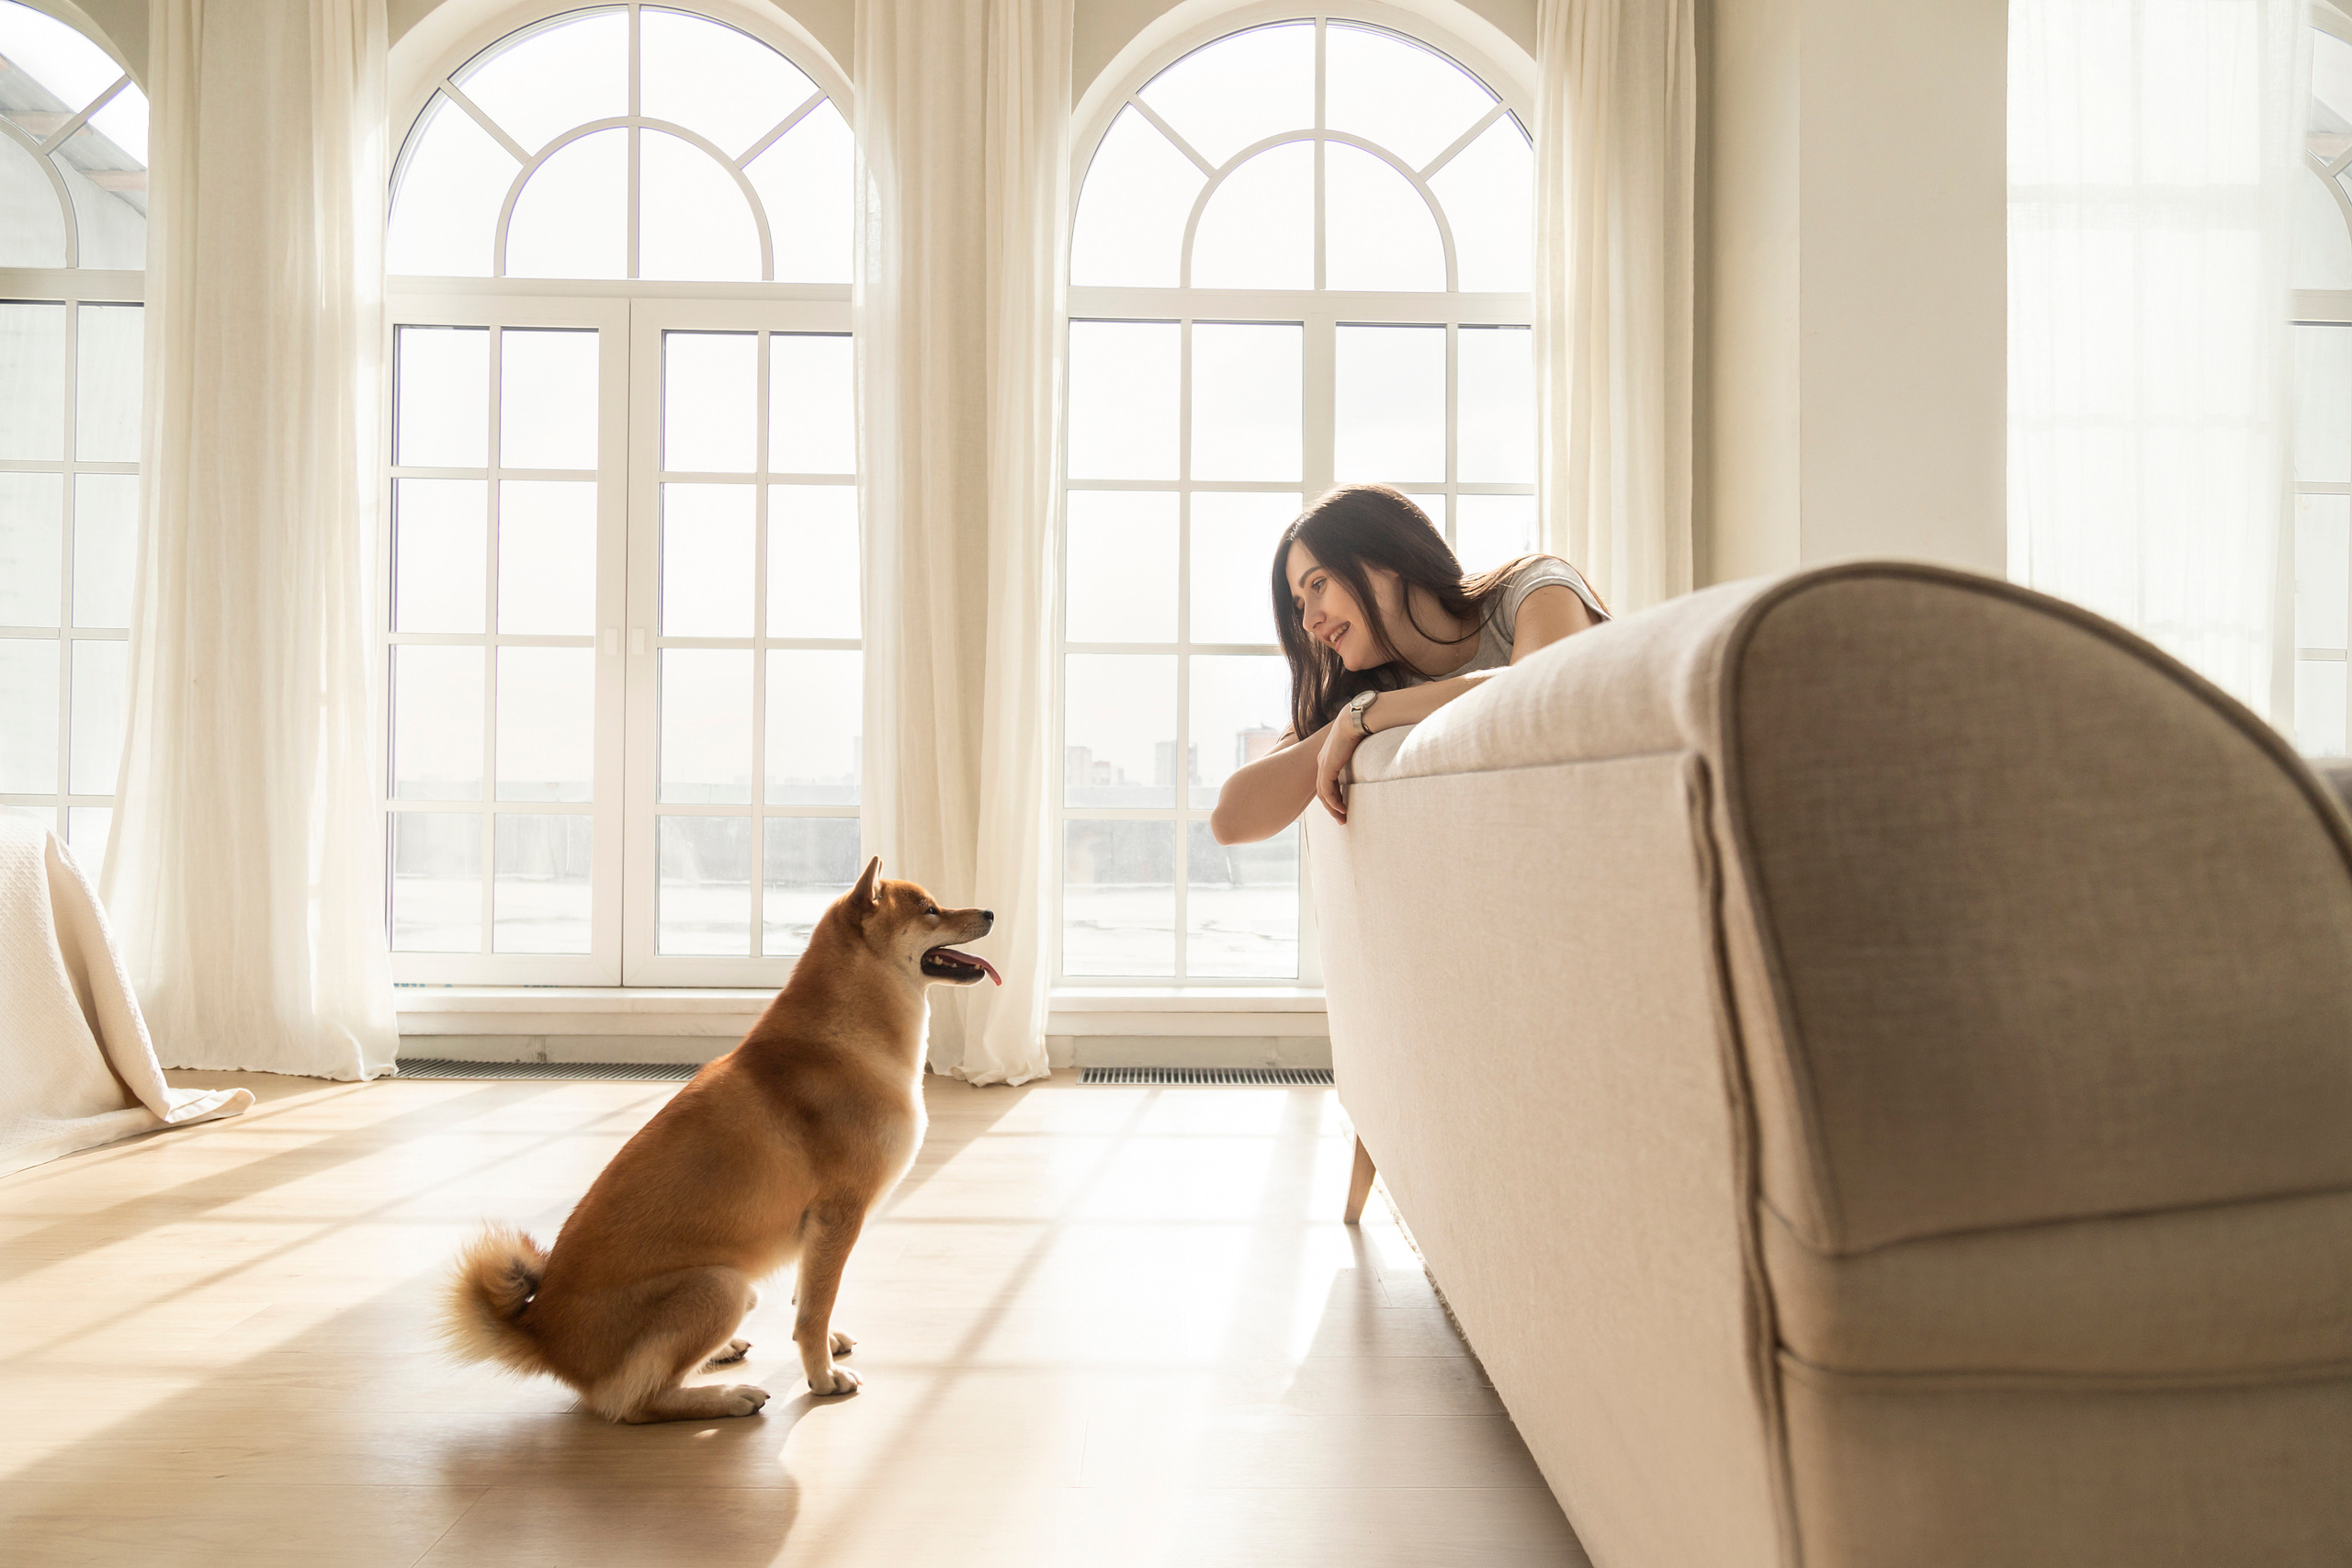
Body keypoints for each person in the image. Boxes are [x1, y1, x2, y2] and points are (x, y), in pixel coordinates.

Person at [1208, 484, 1610, 843]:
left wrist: (1369, 714)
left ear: (1386, 559)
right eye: (1299, 605)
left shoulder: (1531, 586)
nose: (1309, 620)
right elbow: (1231, 820)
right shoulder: (1363, 686)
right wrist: (1341, 723)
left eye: (1318, 585)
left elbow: (1539, 693)